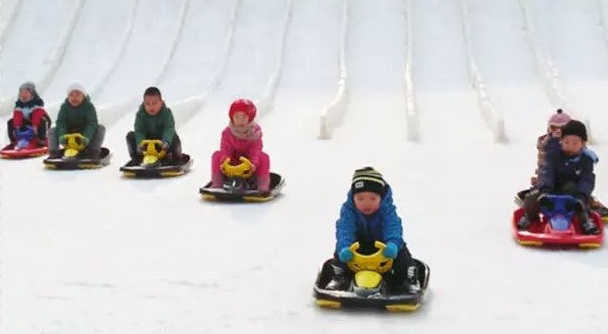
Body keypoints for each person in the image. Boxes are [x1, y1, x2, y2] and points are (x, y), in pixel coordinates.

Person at [325, 167, 420, 294]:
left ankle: (409, 278)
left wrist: (392, 244)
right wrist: (344, 247)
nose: (366, 204)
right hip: (358, 247)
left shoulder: (387, 210)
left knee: (401, 252)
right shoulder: (349, 211)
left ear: (381, 198)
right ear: (353, 198)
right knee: (339, 253)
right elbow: (344, 228)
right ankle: (340, 276)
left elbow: (393, 227)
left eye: (373, 199)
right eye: (360, 199)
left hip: (384, 248)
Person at [517, 120, 599, 235]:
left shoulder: (586, 160)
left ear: (583, 143)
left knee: (581, 203)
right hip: (550, 189)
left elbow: (587, 180)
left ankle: (585, 221)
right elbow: (547, 171)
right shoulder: (554, 155)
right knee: (532, 197)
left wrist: (581, 196)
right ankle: (529, 217)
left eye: (575, 143)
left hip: (572, 193)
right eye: (566, 142)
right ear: (561, 141)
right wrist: (544, 190)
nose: (570, 146)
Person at [210, 98, 270, 192]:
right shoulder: (227, 133)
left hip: (249, 165)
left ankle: (262, 185)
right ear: (232, 117)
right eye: (237, 117)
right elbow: (226, 148)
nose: (240, 120)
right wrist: (224, 162)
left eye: (244, 117)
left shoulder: (254, 133)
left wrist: (253, 163)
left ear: (249, 118)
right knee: (216, 155)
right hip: (232, 163)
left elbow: (255, 150)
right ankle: (217, 184)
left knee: (264, 157)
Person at [126, 87, 182, 164]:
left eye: (154, 103)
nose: (151, 107)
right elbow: (139, 130)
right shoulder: (140, 114)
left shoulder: (167, 113)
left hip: (162, 145)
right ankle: (137, 159)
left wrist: (166, 142)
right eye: (147, 104)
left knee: (174, 137)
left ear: (161, 103)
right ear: (144, 103)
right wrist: (140, 143)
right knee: (130, 136)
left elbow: (169, 129)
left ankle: (175, 158)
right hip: (147, 145)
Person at [48, 83, 105, 159]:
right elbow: (61, 123)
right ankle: (54, 152)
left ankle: (93, 152)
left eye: (77, 95)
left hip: (84, 137)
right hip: (69, 136)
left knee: (100, 128)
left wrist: (86, 137)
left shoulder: (89, 106)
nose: (74, 98)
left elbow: (91, 123)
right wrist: (62, 136)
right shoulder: (64, 107)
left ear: (83, 96)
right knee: (52, 130)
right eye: (71, 95)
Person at [7, 81, 51, 147]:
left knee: (42, 120)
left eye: (26, 93)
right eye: (21, 93)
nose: (23, 95)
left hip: (40, 123)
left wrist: (35, 126)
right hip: (28, 123)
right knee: (10, 122)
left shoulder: (37, 103)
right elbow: (17, 116)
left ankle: (42, 140)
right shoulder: (19, 105)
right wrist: (17, 128)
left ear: (32, 94)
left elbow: (37, 115)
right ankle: (13, 141)